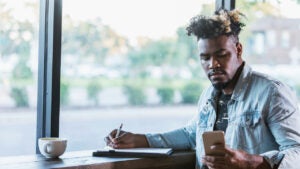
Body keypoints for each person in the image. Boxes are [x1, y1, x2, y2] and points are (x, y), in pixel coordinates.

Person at [105, 9, 300, 169]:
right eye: (205, 58)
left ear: (238, 50)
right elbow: (191, 134)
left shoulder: (272, 92)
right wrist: (138, 140)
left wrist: (250, 162)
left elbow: (297, 152)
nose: (213, 64)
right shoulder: (209, 94)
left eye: (221, 55)